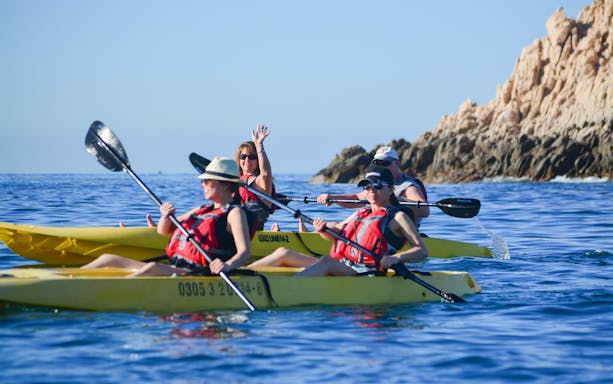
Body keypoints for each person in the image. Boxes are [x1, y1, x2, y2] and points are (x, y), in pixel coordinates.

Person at [82, 157, 252, 277]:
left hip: (198, 273)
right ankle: (65, 278)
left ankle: (110, 291)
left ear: (226, 185)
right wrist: (165, 216)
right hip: (177, 267)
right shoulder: (200, 210)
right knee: (108, 258)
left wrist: (227, 265)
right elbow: (164, 231)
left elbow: (245, 253)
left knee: (152, 268)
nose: (203, 184)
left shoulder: (235, 213)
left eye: (207, 181)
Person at [249, 165, 428, 277]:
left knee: (326, 261)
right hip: (343, 266)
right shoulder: (362, 213)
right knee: (283, 253)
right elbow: (336, 234)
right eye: (367, 186)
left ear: (390, 189)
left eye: (377, 185)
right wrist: (323, 230)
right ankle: (240, 275)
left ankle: (287, 289)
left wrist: (395, 258)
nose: (371, 190)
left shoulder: (399, 217)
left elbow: (421, 250)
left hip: (365, 273)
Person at [317, 146, 430, 227]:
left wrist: (394, 199)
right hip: (375, 227)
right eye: (377, 164)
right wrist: (332, 198)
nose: (382, 167)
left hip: (399, 233)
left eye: (385, 163)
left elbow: (425, 211)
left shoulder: (408, 186)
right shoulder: (375, 184)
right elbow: (356, 198)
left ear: (397, 163)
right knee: (340, 224)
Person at [235, 124, 277, 230]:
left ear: (258, 160)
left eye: (252, 157)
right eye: (243, 157)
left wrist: (259, 146)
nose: (247, 161)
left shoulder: (260, 182)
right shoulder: (235, 181)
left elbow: (266, 174)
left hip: (252, 234)